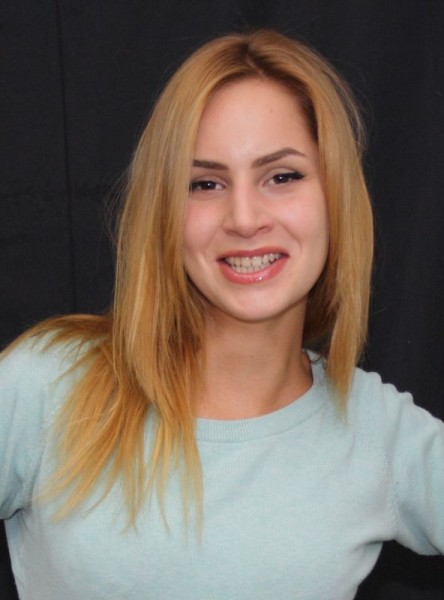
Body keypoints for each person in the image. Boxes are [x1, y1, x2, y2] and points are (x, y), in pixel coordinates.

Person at [0, 30, 443, 600]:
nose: (244, 218)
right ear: (165, 211)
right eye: (205, 183)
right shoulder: (50, 382)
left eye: (282, 176)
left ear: (335, 196)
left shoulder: (379, 434)